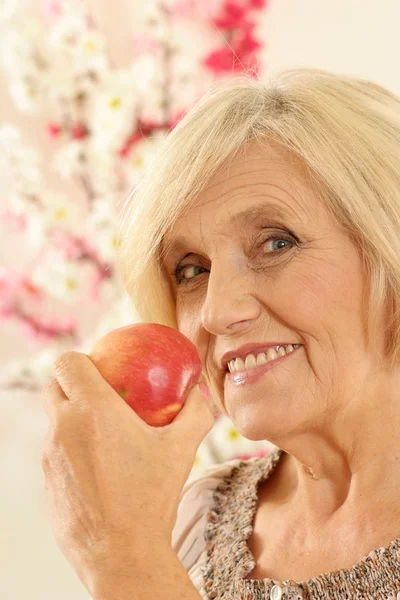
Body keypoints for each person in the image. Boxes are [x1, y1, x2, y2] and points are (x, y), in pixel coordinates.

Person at [115, 67, 400, 599]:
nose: (218, 312)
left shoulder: (133, 547)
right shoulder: (194, 521)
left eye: (275, 243)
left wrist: (120, 558)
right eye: (191, 270)